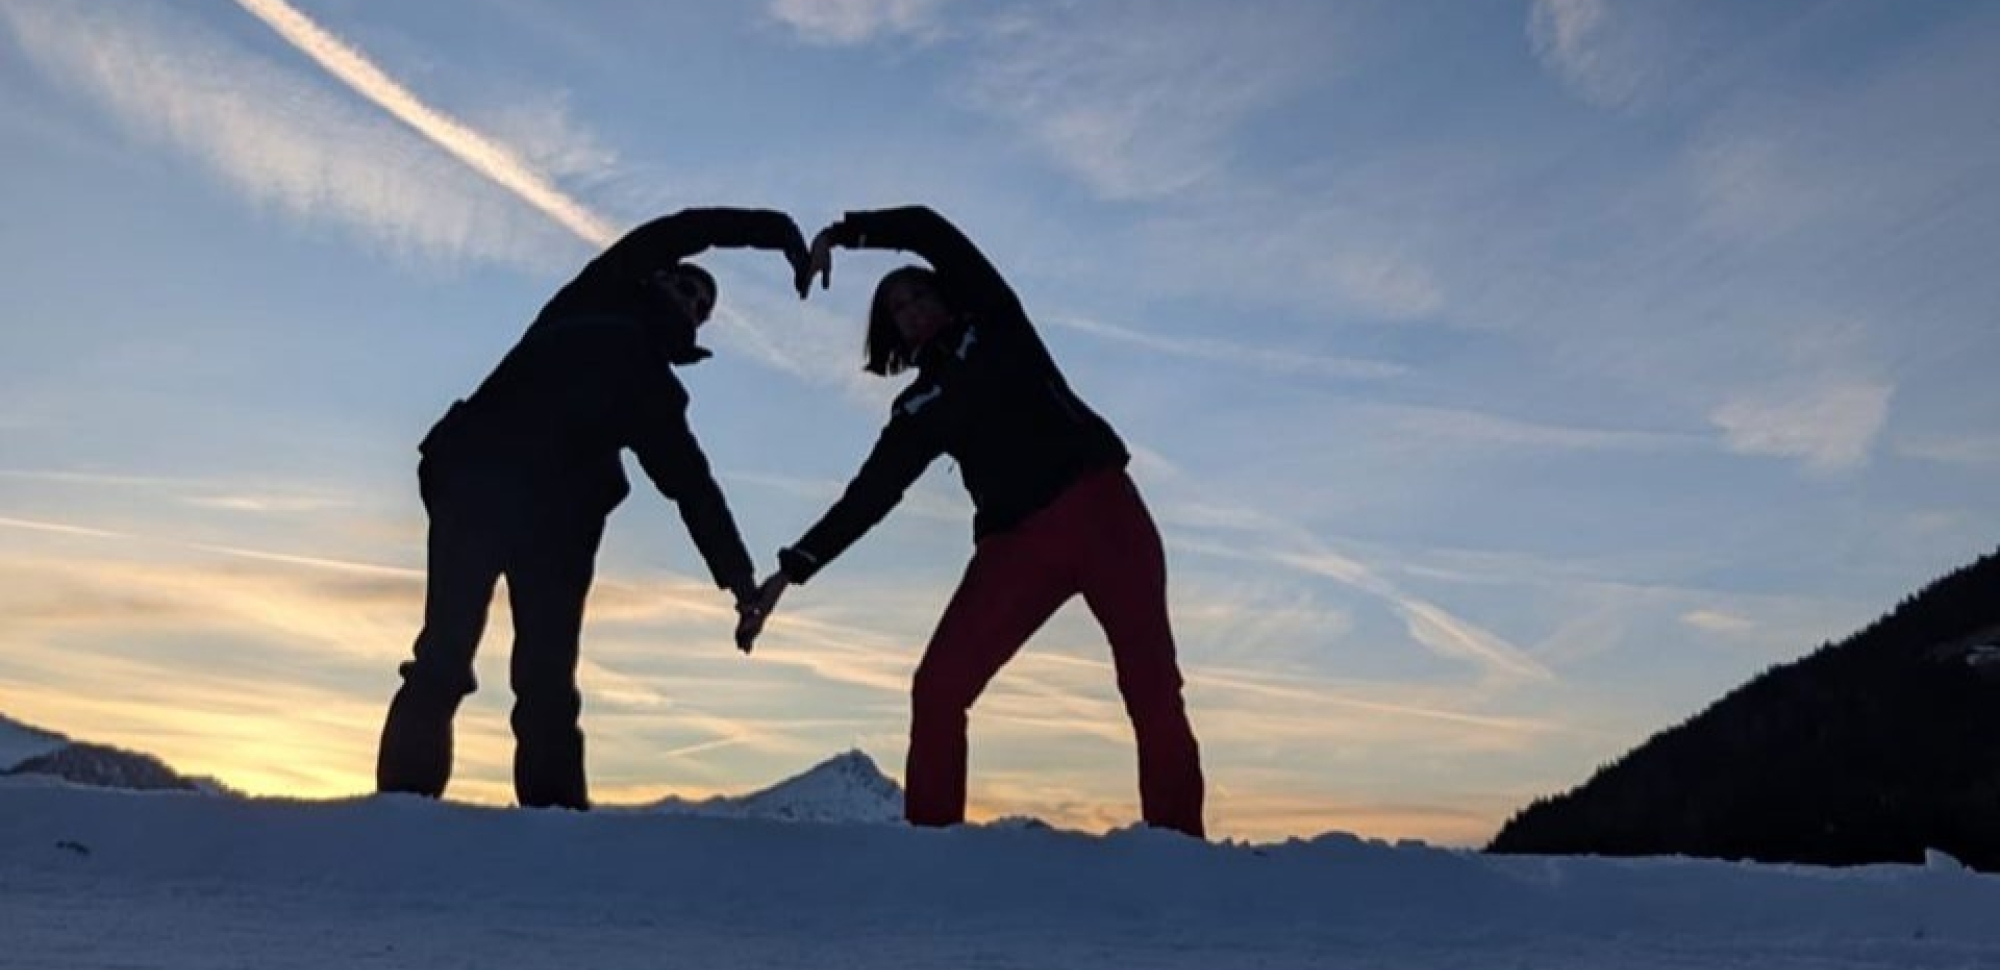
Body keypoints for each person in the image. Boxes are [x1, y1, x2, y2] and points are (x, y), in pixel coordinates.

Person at [742, 205, 1206, 837]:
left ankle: (1178, 849)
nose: (912, 308)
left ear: (945, 292)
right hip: (1014, 549)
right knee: (938, 688)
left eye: (918, 292)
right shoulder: (918, 407)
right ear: (892, 336)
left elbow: (930, 230)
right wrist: (790, 572)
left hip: (1101, 510)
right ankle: (932, 855)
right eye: (897, 309)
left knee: (1150, 681)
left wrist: (843, 235)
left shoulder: (994, 319)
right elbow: (869, 497)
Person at [377, 207, 808, 810]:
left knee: (548, 684)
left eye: (703, 308)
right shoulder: (598, 294)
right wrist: (773, 231)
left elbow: (693, 487)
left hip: (558, 529)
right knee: (444, 655)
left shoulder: (656, 392)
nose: (692, 302)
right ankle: (399, 816)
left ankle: (555, 836)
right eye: (687, 286)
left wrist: (740, 582)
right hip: (479, 487)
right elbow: (680, 230)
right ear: (656, 278)